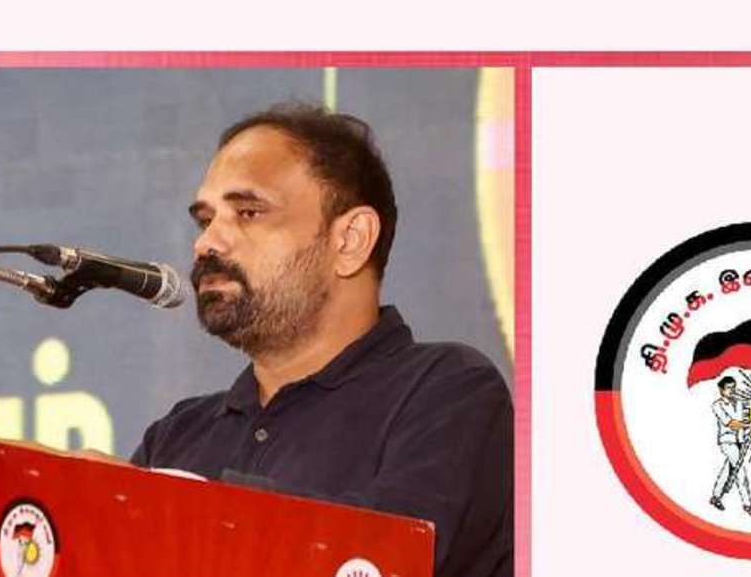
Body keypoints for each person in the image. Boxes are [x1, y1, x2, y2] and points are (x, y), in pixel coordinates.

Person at [130, 102, 512, 577]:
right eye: (205, 219)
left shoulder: (449, 394)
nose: (206, 243)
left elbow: (378, 561)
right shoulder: (178, 436)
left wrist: (171, 505)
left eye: (248, 212)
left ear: (350, 240)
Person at [709, 375, 751, 516]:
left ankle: (715, 496)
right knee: (740, 471)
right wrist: (749, 425)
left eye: (733, 387)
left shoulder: (738, 402)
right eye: (729, 388)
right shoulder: (717, 405)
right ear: (721, 390)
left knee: (728, 470)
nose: (732, 390)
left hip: (740, 440)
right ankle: (747, 504)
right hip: (728, 441)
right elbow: (731, 424)